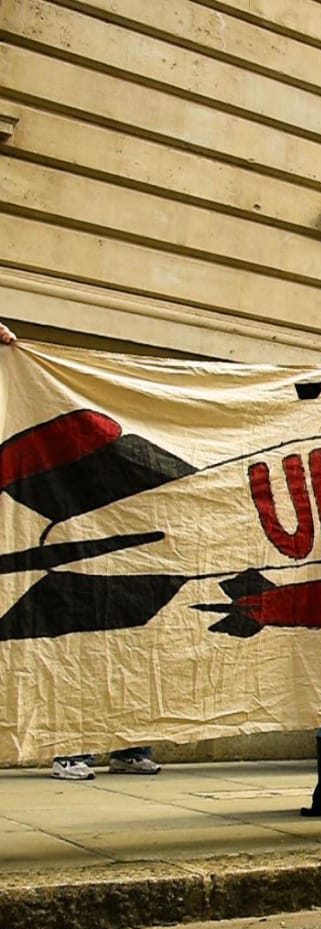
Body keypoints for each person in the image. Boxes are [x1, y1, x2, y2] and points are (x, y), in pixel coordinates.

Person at [0, 323, 167, 784]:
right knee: (78, 653)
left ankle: (130, 745)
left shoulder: (135, 447)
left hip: (130, 561)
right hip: (73, 558)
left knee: (133, 654)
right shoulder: (69, 437)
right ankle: (70, 748)